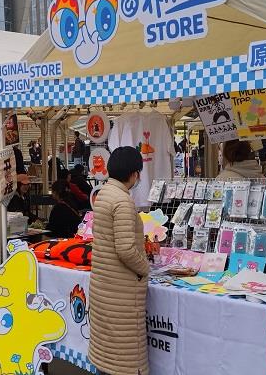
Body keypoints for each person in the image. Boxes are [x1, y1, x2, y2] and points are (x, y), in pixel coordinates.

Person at [88, 146, 151, 375]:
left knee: (106, 348)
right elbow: (125, 250)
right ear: (133, 174)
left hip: (104, 285)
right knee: (126, 357)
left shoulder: (105, 193)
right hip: (121, 291)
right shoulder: (123, 201)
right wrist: (145, 268)